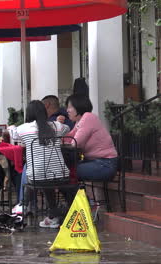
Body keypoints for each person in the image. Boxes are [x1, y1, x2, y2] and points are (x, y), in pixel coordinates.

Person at [17, 100, 74, 228]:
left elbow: (13, 134)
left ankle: (23, 205)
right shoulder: (56, 126)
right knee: (46, 177)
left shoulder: (23, 129)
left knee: (34, 173)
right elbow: (67, 128)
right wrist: (59, 122)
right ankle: (52, 216)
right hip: (61, 175)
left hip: (37, 177)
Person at [65, 94, 118, 181]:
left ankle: (73, 194)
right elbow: (70, 137)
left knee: (65, 172)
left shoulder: (88, 117)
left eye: (70, 107)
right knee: (63, 170)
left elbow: (75, 143)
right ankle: (74, 194)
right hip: (93, 162)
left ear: (78, 106)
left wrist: (63, 142)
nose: (67, 110)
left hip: (105, 164)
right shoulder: (79, 121)